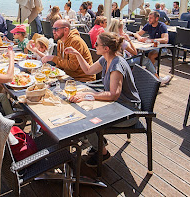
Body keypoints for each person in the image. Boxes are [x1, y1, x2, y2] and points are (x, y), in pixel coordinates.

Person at [66, 32, 141, 166]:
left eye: (97, 44)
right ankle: (96, 143)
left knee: (88, 119)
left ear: (106, 48)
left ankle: (102, 152)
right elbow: (88, 70)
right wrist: (77, 54)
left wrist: (88, 96)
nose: (94, 46)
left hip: (128, 111)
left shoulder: (116, 65)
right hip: (115, 105)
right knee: (81, 109)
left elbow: (113, 94)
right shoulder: (106, 59)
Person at [134, 12, 172, 84]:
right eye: (149, 18)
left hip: (162, 48)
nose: (149, 20)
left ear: (156, 18)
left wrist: (152, 40)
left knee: (151, 55)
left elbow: (165, 40)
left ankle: (151, 77)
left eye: (151, 18)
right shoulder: (148, 25)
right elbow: (137, 34)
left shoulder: (162, 26)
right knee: (138, 53)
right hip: (150, 47)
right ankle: (151, 74)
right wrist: (140, 38)